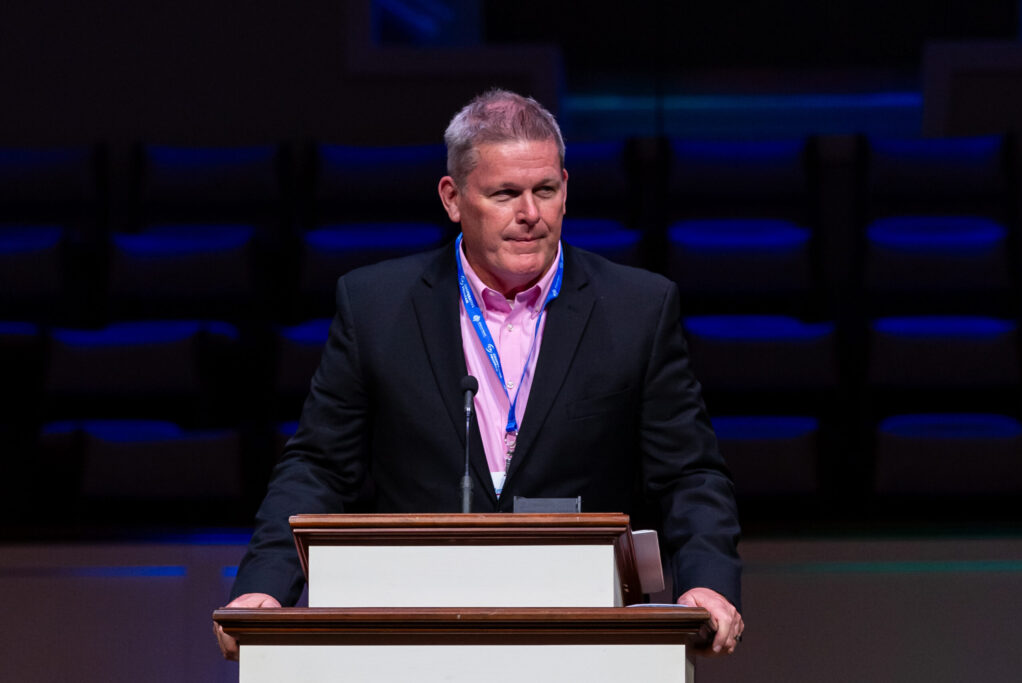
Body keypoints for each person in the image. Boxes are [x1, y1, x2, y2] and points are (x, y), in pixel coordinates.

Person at [215, 89, 743, 659]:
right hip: (417, 634)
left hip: (584, 637)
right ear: (453, 197)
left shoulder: (637, 307)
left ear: (566, 187)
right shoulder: (376, 305)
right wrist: (264, 587)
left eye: (546, 190)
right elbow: (319, 465)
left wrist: (706, 582)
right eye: (504, 194)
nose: (530, 214)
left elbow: (690, 473)